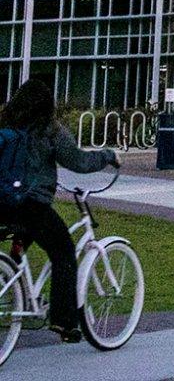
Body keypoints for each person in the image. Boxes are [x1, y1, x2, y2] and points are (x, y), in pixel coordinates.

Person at [0, 78, 118, 344]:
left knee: (20, 244)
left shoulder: (5, 123)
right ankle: (64, 322)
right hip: (32, 205)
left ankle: (20, 292)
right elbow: (79, 161)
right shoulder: (49, 129)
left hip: (4, 203)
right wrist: (108, 156)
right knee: (63, 252)